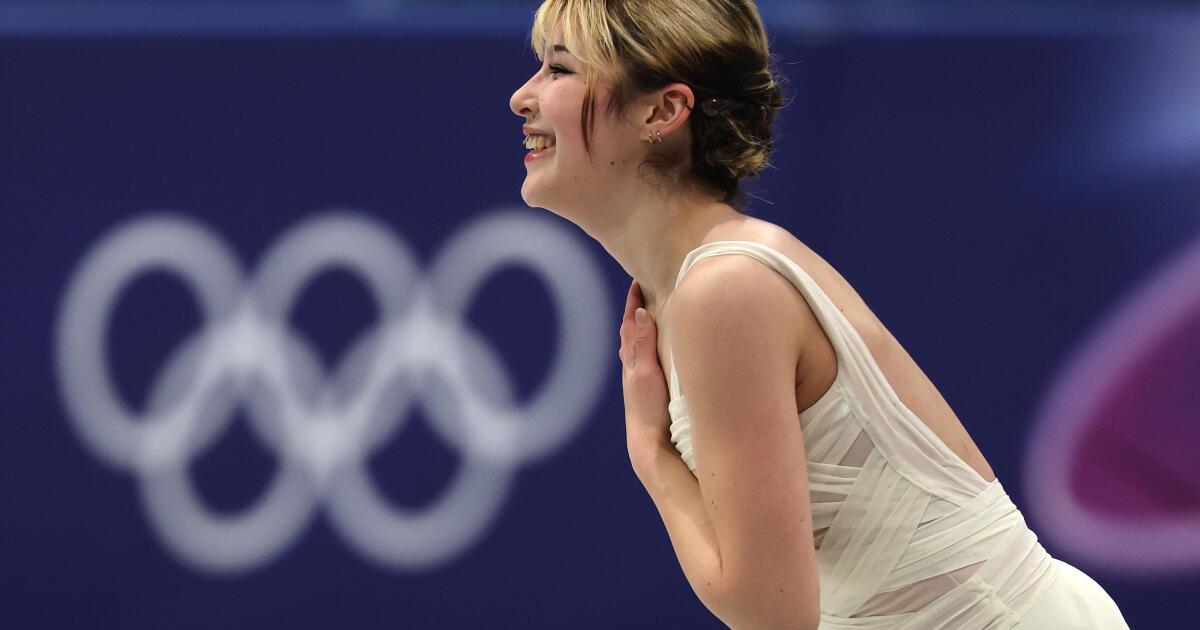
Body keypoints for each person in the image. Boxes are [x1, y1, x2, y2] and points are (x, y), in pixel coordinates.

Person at [509, 1, 1130, 628]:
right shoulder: (691, 287)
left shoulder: (726, 288)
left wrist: (652, 458)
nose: (521, 97)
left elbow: (770, 616)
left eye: (559, 70)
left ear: (663, 111)